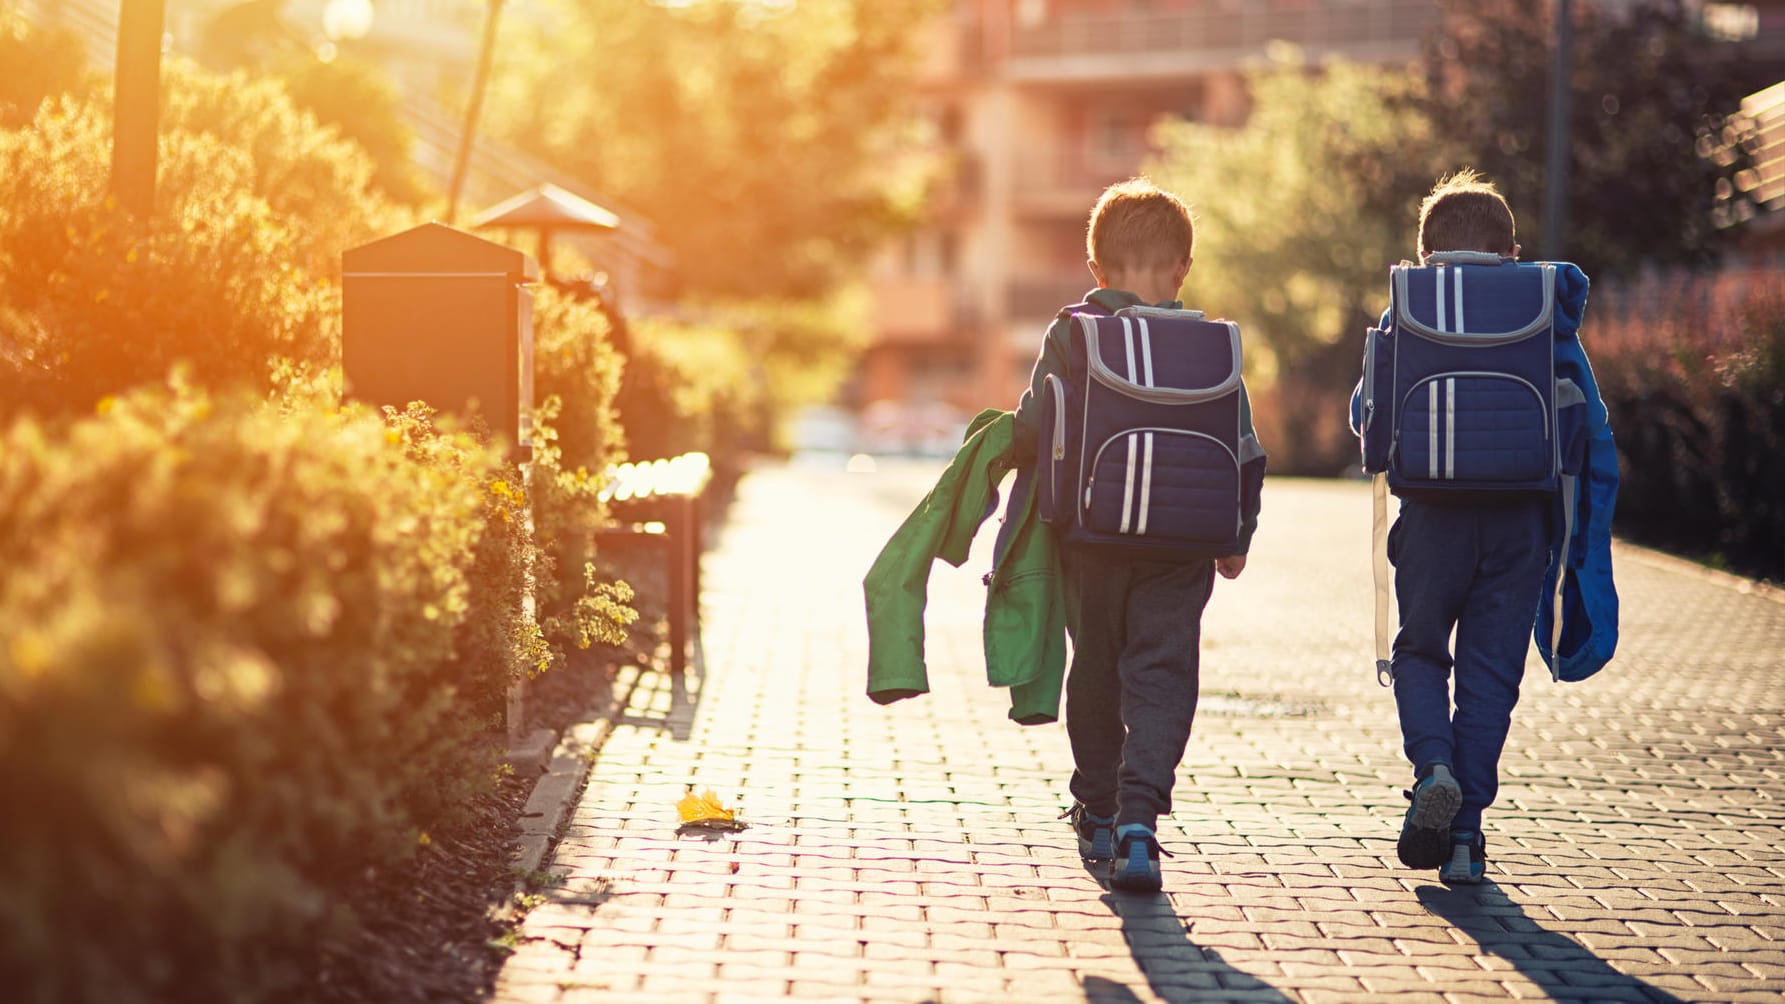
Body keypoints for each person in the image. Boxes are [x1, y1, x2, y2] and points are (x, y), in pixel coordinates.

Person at [1353, 170, 1616, 885]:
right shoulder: (1541, 314)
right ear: (1512, 251)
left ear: (1424, 253)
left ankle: (1430, 763)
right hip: (1517, 524)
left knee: (1419, 652)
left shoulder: (1405, 310)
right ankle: (1466, 835)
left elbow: (1365, 415)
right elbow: (1587, 428)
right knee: (1489, 678)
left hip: (1430, 519)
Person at [1012, 178, 1266, 892]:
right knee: (1161, 674)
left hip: (1091, 539)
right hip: (1181, 544)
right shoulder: (1212, 346)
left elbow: (1035, 427)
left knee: (1094, 667)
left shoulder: (1073, 333)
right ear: (1183, 267)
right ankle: (1136, 820)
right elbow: (1243, 445)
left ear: (1095, 270)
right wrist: (1236, 533)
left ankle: (1093, 806)